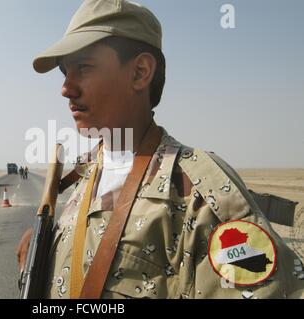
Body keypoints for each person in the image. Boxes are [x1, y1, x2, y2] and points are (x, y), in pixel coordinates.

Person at [17, 0, 304, 298]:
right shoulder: (84, 174)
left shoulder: (200, 190)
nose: (66, 88)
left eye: (83, 67)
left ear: (140, 72)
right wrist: (48, 255)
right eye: (65, 71)